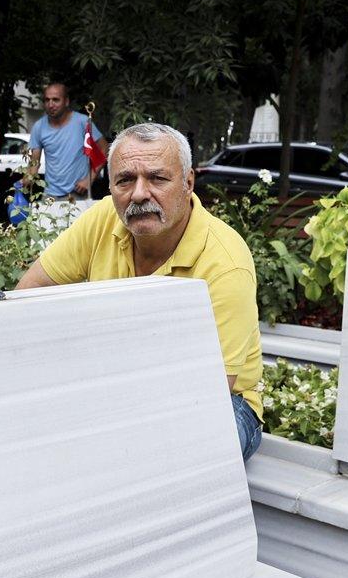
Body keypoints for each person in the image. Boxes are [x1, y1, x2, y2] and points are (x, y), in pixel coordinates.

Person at [17, 122, 263, 460]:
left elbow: (206, 393)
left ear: (188, 183)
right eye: (125, 180)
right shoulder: (102, 220)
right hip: (114, 389)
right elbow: (26, 296)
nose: (138, 194)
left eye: (157, 178)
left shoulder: (225, 263)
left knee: (167, 450)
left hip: (220, 404)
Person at [25, 83, 104, 199]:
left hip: (77, 193)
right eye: (47, 100)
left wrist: (89, 178)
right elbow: (34, 164)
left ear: (66, 101)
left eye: (55, 100)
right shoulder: (39, 127)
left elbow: (105, 149)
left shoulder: (82, 122)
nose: (50, 104)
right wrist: (23, 182)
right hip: (49, 195)